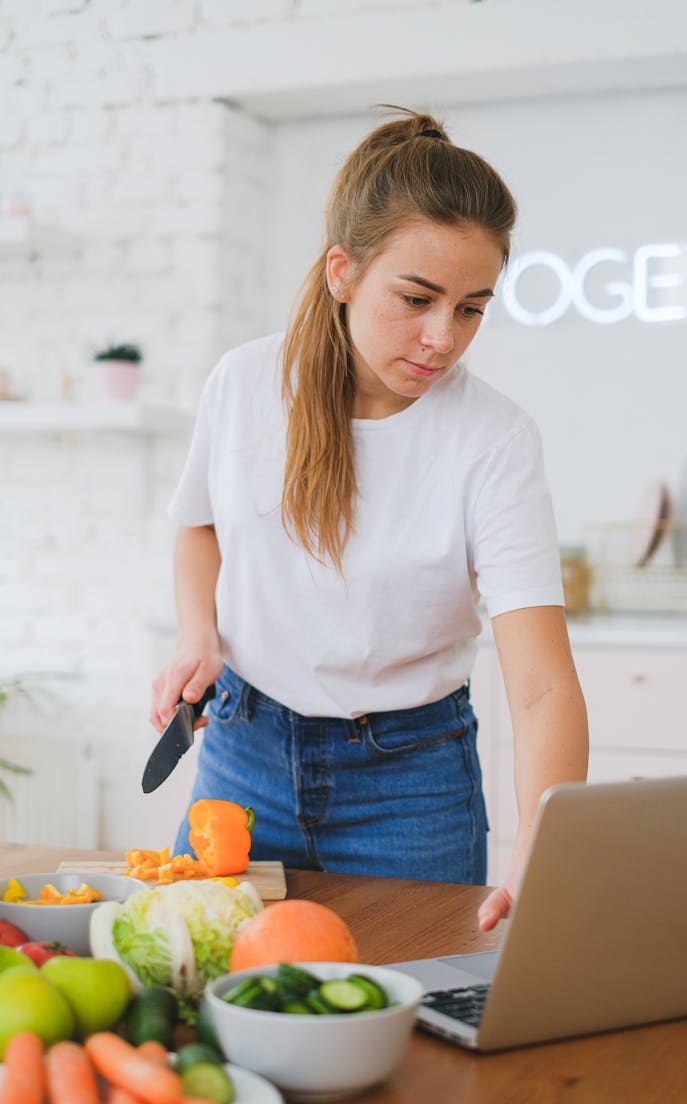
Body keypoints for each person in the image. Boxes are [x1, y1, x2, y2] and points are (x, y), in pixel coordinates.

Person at [151, 107, 589, 933]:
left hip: (413, 783)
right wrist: (196, 635)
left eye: (471, 308)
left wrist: (542, 838)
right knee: (192, 981)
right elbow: (199, 522)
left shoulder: (493, 439)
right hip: (242, 756)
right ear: (342, 271)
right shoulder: (244, 384)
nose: (441, 338)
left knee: (419, 1015)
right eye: (417, 298)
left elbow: (542, 688)